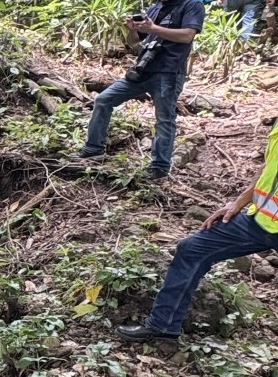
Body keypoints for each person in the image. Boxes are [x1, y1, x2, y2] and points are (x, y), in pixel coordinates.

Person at [117, 117, 278, 344]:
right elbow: (270, 165)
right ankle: (163, 327)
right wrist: (239, 202)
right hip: (259, 220)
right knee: (192, 249)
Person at [79, 0, 204, 180]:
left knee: (164, 119)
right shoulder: (155, 8)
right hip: (142, 70)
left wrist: (153, 28)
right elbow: (133, 43)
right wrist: (134, 30)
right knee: (103, 100)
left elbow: (187, 36)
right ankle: (94, 149)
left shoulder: (192, 5)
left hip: (168, 72)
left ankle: (159, 167)